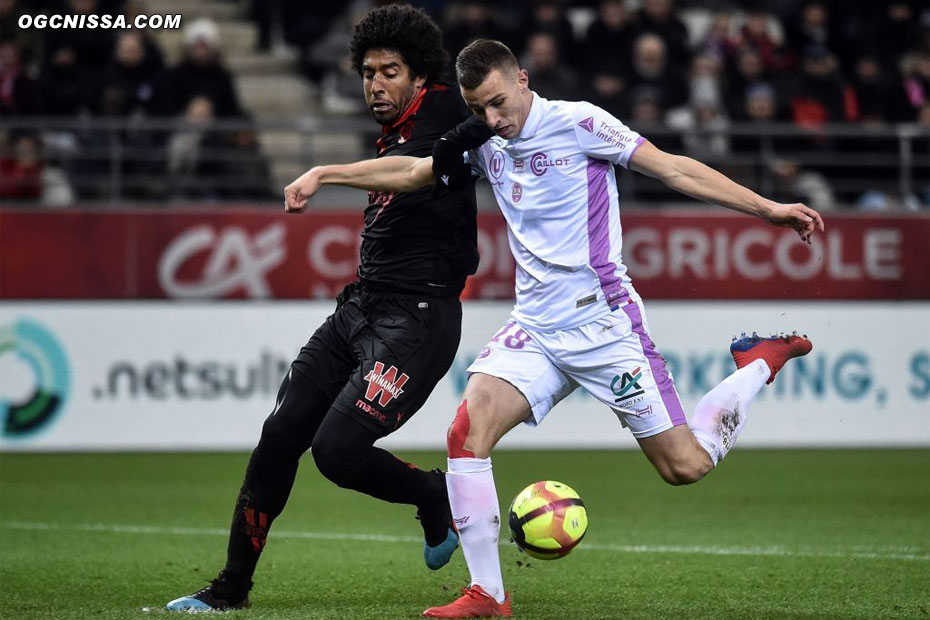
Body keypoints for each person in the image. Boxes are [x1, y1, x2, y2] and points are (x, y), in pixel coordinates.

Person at [284, 39, 824, 619]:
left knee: (684, 467)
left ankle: (759, 363)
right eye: (477, 109)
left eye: (497, 103)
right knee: (466, 434)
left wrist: (768, 208)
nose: (492, 119)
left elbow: (674, 168)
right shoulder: (484, 140)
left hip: (603, 323)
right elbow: (414, 171)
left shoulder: (579, 123)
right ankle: (488, 594)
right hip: (535, 329)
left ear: (522, 79)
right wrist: (326, 172)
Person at [165, 6, 480, 612]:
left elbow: (413, 174)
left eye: (390, 71)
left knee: (337, 453)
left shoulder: (443, 110)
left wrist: (323, 172)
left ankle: (431, 496)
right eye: (367, 72)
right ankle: (230, 589)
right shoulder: (395, 125)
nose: (376, 84)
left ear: (420, 77)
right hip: (359, 309)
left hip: (418, 320)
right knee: (280, 435)